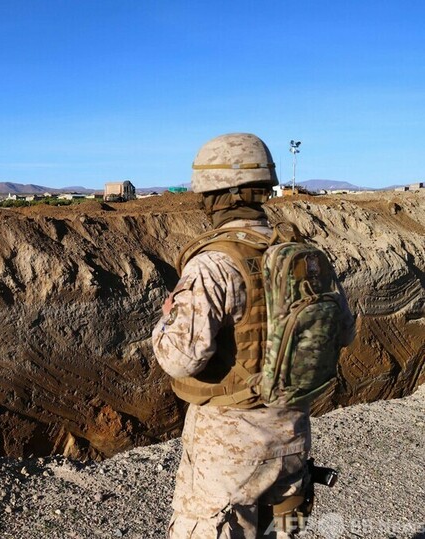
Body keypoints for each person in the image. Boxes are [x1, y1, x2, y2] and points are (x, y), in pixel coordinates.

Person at [152, 133, 355, 538]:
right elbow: (344, 332)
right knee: (287, 529)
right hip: (292, 439)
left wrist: (165, 320)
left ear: (212, 193)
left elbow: (179, 358)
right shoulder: (304, 253)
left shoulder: (213, 264)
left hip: (229, 455)